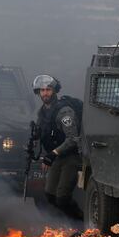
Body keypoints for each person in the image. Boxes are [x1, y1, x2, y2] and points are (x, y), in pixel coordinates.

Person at [33, 74, 83, 220]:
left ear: (54, 91)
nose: (45, 93)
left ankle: (83, 225)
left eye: (48, 90)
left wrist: (53, 154)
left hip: (71, 157)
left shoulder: (64, 111)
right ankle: (67, 226)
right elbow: (44, 133)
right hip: (56, 158)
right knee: (50, 195)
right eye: (42, 90)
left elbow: (73, 139)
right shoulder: (43, 112)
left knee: (62, 197)